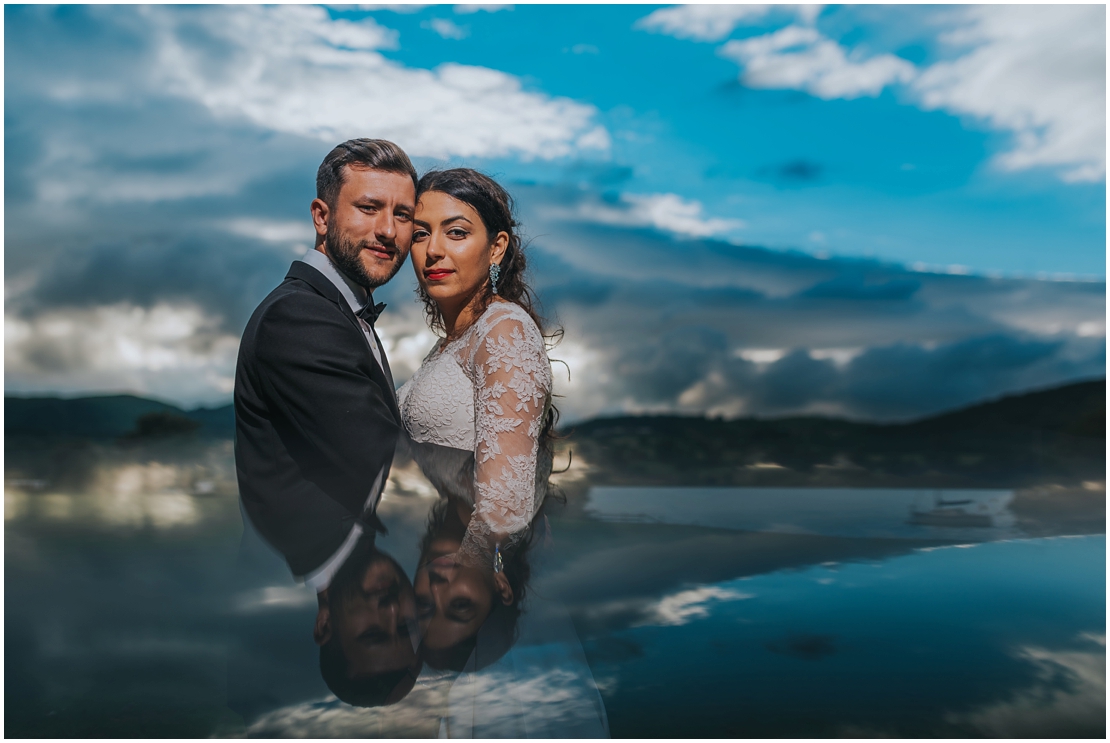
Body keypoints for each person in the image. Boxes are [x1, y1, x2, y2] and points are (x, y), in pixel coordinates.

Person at [234, 138, 416, 589]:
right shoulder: (298, 315)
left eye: (403, 215)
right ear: (321, 216)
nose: (388, 230)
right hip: (307, 580)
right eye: (369, 208)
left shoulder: (340, 312)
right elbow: (384, 457)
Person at [396, 168, 557, 662]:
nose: (433, 250)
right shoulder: (455, 342)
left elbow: (506, 497)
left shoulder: (502, 330)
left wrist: (476, 557)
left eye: (457, 232)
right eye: (420, 233)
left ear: (497, 248)